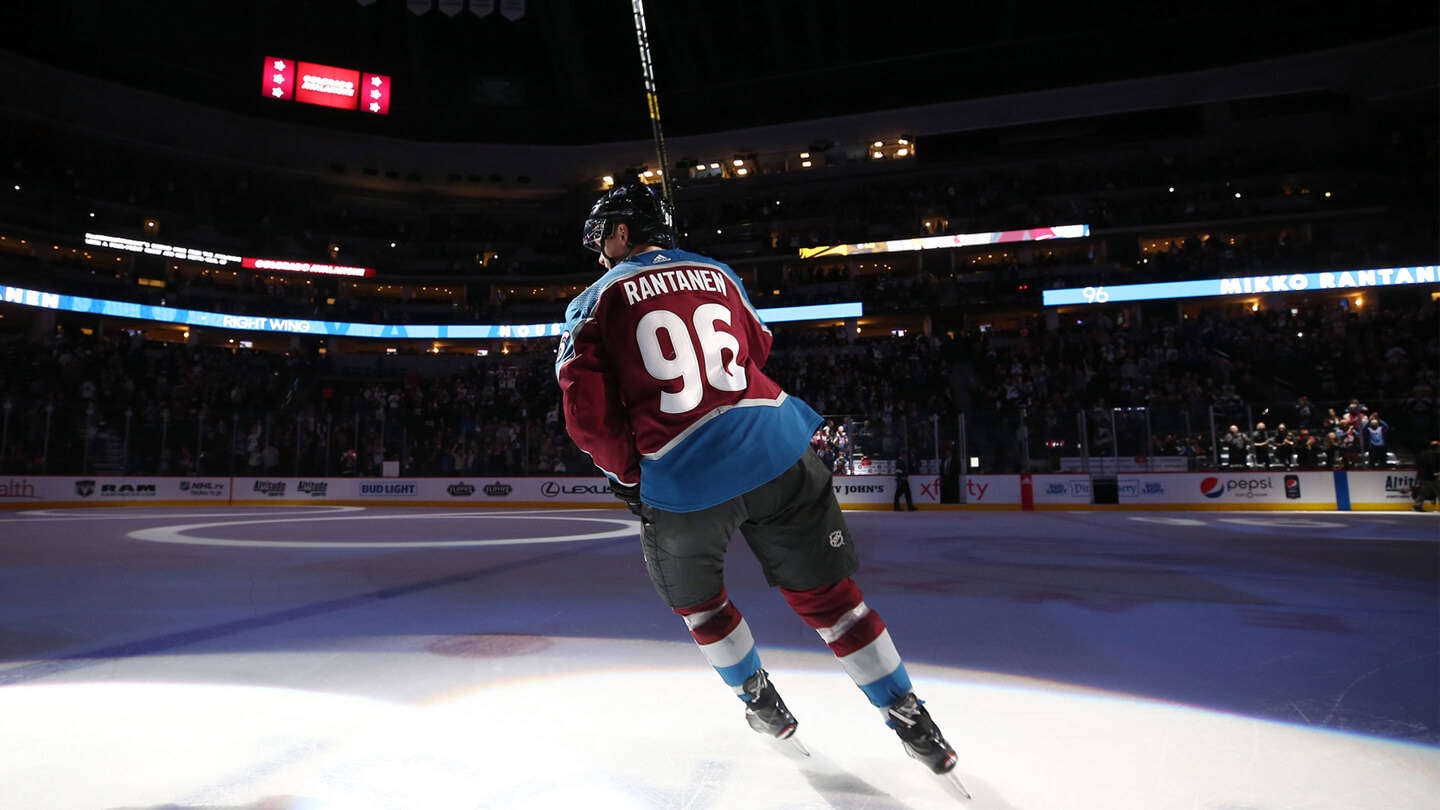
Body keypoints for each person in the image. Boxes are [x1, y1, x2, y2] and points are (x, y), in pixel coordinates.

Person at [555, 184, 966, 793]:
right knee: (835, 603)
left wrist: (628, 475)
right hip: (779, 447)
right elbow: (759, 345)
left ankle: (759, 700)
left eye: (600, 238)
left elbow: (587, 417)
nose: (597, 253)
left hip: (683, 475)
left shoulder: (592, 301)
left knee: (700, 604)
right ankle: (910, 718)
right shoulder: (717, 271)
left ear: (620, 232)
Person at [1414, 439, 1439, 512]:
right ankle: (1417, 506)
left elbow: (1418, 464)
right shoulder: (1433, 454)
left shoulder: (1423, 453)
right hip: (1430, 477)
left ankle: (1417, 505)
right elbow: (1433, 464)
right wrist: (1436, 473)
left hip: (1422, 476)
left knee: (1424, 491)